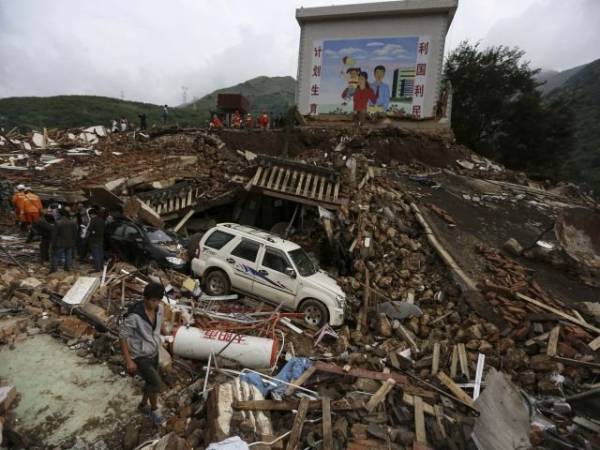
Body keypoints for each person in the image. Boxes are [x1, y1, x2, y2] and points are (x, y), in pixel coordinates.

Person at [120, 282, 168, 425]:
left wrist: (165, 331)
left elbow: (161, 324)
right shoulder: (134, 315)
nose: (155, 303)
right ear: (145, 298)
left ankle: (142, 405)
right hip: (140, 355)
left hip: (154, 351)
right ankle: (154, 410)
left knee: (150, 382)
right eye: (152, 300)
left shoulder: (160, 309)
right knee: (156, 384)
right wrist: (129, 360)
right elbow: (122, 337)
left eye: (158, 300)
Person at [50, 208, 78, 272]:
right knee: (68, 256)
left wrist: (53, 244)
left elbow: (54, 235)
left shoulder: (58, 222)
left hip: (60, 243)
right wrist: (74, 242)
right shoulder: (72, 222)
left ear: (60, 214)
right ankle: (67, 268)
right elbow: (75, 233)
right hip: (69, 242)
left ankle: (54, 269)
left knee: (56, 256)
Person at [86, 207, 105, 272]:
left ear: (92, 214)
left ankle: (97, 268)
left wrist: (86, 236)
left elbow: (89, 230)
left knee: (95, 254)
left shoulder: (93, 220)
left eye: (89, 215)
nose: (89, 216)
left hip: (94, 240)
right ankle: (101, 266)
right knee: (100, 253)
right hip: (101, 239)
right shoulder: (102, 220)